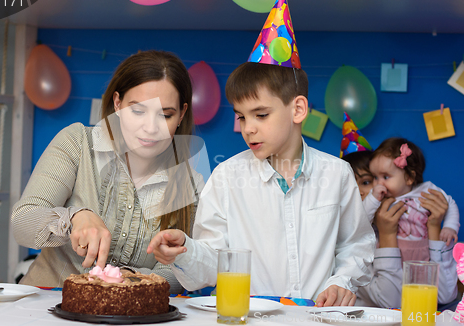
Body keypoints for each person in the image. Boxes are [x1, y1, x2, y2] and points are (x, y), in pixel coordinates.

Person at [147, 60, 376, 307]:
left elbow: (356, 245)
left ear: (298, 109)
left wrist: (341, 281)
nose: (248, 128)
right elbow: (214, 262)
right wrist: (185, 249)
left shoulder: (337, 174)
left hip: (317, 319)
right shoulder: (226, 177)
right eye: (242, 117)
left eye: (261, 115)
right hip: (249, 319)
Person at [11, 50, 204, 293]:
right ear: (117, 103)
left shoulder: (191, 182)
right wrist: (74, 217)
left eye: (165, 115)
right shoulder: (78, 143)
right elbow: (22, 223)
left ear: (182, 114)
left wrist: (132, 278)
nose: (150, 127)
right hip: (47, 306)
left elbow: (180, 269)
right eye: (137, 111)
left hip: (131, 315)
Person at [345, 137, 458, 307]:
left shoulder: (423, 193)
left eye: (366, 182)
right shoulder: (358, 245)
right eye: (348, 186)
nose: (359, 192)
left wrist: (436, 227)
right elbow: (392, 303)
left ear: (408, 178)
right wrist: (387, 233)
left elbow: (445, 296)